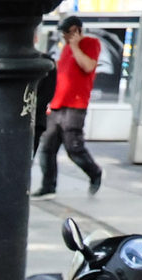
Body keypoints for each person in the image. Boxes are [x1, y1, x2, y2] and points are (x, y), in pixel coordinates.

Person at [36, 16, 103, 197]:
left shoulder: (91, 43)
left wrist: (75, 46)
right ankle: (48, 186)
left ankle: (94, 172)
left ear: (77, 30)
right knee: (47, 147)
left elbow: (88, 66)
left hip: (75, 105)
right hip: (57, 105)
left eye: (68, 33)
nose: (65, 37)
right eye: (64, 34)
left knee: (74, 148)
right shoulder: (65, 48)